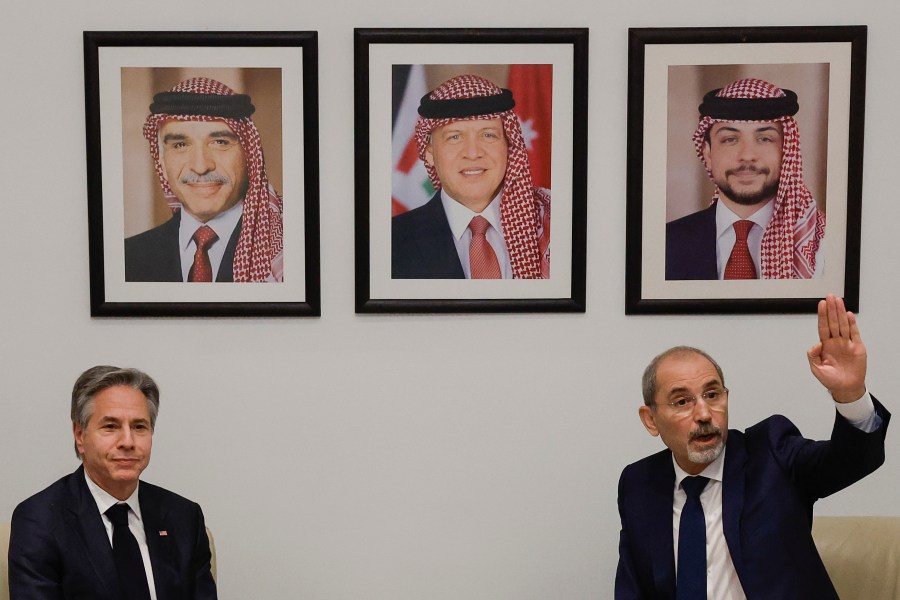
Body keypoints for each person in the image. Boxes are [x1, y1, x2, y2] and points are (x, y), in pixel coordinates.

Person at [615, 295, 890, 599]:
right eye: (682, 401)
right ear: (651, 419)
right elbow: (632, 588)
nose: (704, 414)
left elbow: (851, 460)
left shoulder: (771, 454)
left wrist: (850, 393)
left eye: (712, 394)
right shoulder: (638, 484)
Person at [8, 366, 217, 600]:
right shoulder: (40, 521)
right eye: (110, 426)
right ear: (80, 435)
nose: (127, 441)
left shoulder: (184, 517)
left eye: (139, 427)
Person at [125, 76, 284, 283]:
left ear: (249, 155)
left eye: (220, 142)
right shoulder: (128, 258)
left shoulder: (289, 248)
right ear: (162, 163)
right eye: (180, 145)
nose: (200, 166)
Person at [391, 74, 550, 279]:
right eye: (455, 137)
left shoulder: (554, 226)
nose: (473, 153)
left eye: (488, 135)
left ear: (509, 145)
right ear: (429, 153)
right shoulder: (389, 243)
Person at [666, 78, 825, 280]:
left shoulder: (823, 245)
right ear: (707, 153)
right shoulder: (664, 244)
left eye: (764, 139)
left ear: (787, 151)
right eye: (730, 140)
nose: (747, 155)